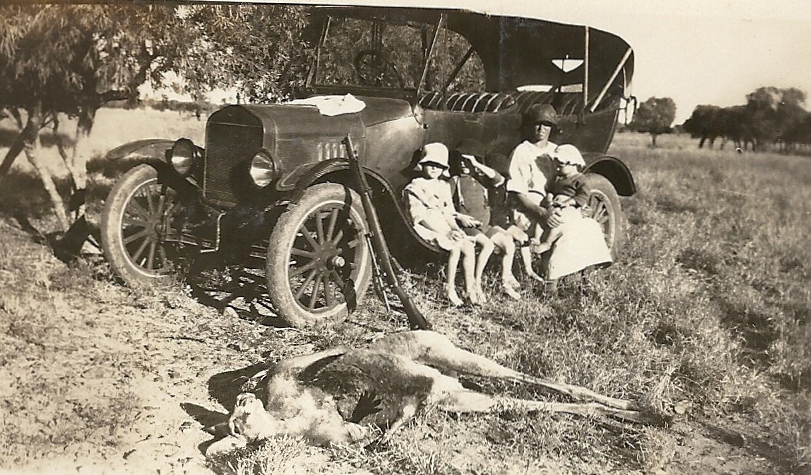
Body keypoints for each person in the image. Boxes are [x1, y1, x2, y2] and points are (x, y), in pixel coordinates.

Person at [506, 104, 612, 287]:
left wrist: (576, 205)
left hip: (559, 205)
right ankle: (550, 277)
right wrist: (542, 213)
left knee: (589, 226)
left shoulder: (558, 151)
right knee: (559, 227)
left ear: (552, 128)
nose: (541, 129)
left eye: (546, 125)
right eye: (537, 124)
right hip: (531, 206)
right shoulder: (522, 151)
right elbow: (518, 194)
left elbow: (574, 184)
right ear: (530, 126)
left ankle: (583, 275)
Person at [403, 143, 480, 306]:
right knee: (454, 247)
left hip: (444, 225)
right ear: (422, 164)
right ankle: (449, 287)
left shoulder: (443, 186)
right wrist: (445, 233)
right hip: (427, 227)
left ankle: (469, 288)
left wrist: (454, 228)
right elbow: (420, 217)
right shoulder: (416, 186)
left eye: (438, 165)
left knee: (467, 246)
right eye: (430, 164)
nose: (434, 168)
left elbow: (448, 213)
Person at [450, 139, 521, 300]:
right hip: (469, 226)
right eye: (461, 160)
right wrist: (460, 216)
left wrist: (476, 164)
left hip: (485, 225)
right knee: (488, 245)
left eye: (467, 162)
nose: (463, 164)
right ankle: (476, 284)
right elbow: (445, 205)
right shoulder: (455, 180)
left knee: (508, 244)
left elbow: (498, 179)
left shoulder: (482, 180)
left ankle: (505, 282)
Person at [531, 144, 590, 255]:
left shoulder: (580, 179)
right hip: (555, 203)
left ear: (572, 163)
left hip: (569, 207)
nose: (557, 168)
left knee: (558, 221)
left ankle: (548, 243)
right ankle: (537, 239)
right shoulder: (558, 177)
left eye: (560, 166)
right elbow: (550, 190)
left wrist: (568, 202)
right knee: (541, 219)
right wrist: (549, 198)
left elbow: (583, 196)